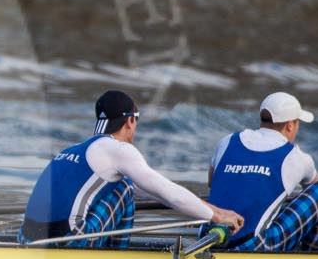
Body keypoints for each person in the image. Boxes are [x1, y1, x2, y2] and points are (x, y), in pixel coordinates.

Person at [20, 90, 242, 246]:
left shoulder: (73, 150)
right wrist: (216, 218)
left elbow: (154, 191)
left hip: (27, 238)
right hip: (63, 241)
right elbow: (167, 193)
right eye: (136, 120)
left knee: (124, 184)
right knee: (124, 187)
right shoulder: (118, 150)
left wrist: (216, 210)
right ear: (129, 121)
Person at [206, 92, 318, 252]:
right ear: (290, 125)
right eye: (298, 123)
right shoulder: (296, 156)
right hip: (253, 245)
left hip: (208, 238)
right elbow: (315, 193)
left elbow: (212, 183)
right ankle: (312, 253)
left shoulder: (227, 141)